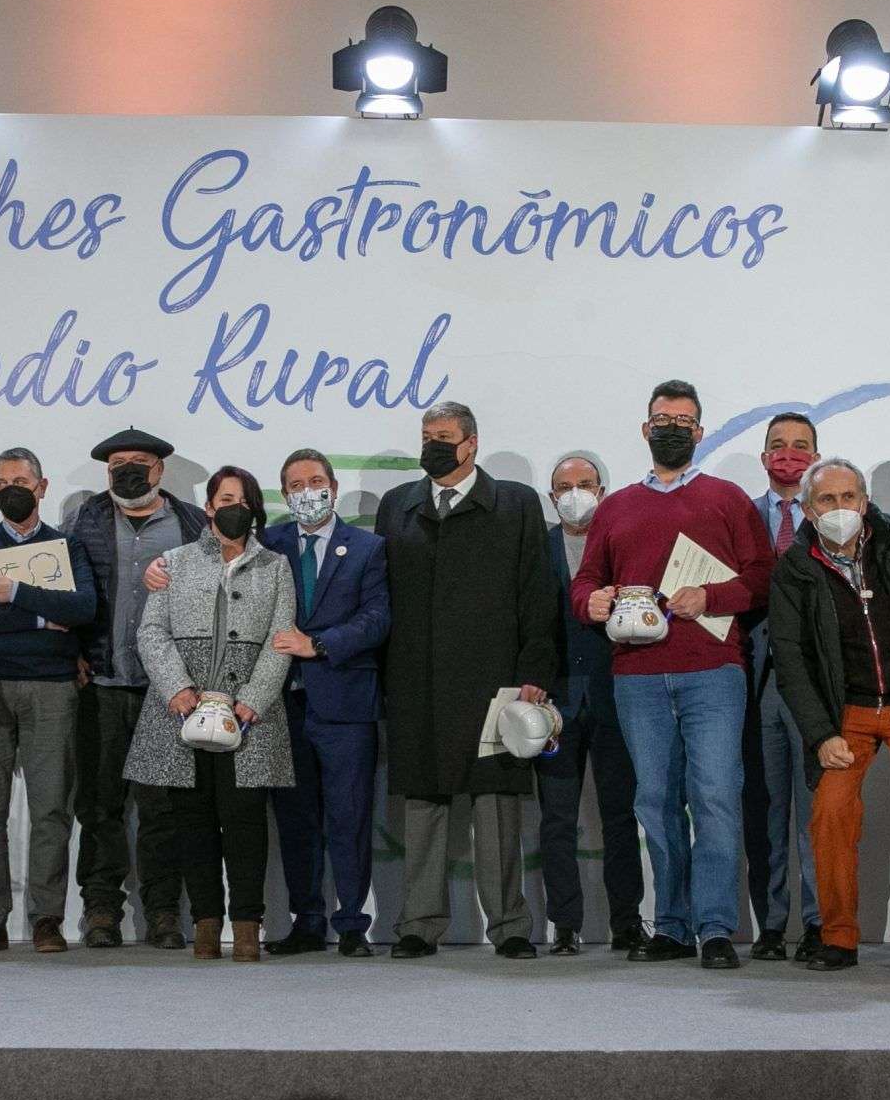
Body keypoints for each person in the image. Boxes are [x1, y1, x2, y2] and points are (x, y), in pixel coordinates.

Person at [568, 379, 773, 970]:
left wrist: (711, 596)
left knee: (715, 796)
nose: (672, 429)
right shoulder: (615, 507)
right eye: (663, 420)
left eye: (684, 421)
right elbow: (587, 581)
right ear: (645, 428)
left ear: (700, 432)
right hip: (636, 675)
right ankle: (674, 924)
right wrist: (590, 603)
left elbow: (761, 578)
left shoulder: (727, 499)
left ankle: (715, 927)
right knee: (654, 801)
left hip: (714, 670)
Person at [376, 401, 559, 959]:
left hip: (494, 678)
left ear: (471, 443)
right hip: (416, 680)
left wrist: (534, 670)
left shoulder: (516, 503)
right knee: (423, 805)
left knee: (496, 805)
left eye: (444, 436)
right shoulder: (397, 505)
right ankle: (418, 924)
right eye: (426, 436)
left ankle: (510, 926)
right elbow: (381, 595)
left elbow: (537, 592)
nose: (432, 445)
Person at [767, 457, 890, 972]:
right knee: (830, 816)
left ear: (865, 502)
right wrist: (820, 733)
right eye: (827, 499)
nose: (839, 507)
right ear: (807, 509)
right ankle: (839, 936)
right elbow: (791, 660)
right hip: (846, 713)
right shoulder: (794, 567)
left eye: (849, 497)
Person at [125, 468, 296, 962]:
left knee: (245, 824)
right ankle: (205, 923)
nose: (233, 508)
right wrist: (177, 688)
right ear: (208, 508)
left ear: (254, 509)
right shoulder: (174, 562)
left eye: (242, 500)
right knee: (192, 822)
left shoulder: (276, 566)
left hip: (249, 716)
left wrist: (255, 699)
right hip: (182, 712)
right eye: (225, 499)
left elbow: (281, 639)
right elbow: (151, 632)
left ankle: (246, 926)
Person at [0, 449, 99, 955]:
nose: (9, 489)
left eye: (19, 480)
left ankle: (47, 919)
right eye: (0, 482)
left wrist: (13, 592)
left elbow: (82, 607)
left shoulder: (67, 546)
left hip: (52, 688)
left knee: (51, 808)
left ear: (41, 487)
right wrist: (39, 617)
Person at [65, 428, 206, 949]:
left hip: (165, 691)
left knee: (162, 808)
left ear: (160, 470)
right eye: (116, 463)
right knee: (99, 806)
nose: (126, 470)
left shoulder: (193, 525)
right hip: (100, 684)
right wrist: (70, 650)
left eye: (138, 462)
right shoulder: (83, 521)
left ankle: (163, 912)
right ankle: (101, 910)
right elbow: (65, 592)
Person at [263, 449, 391, 956]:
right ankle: (307, 921)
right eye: (295, 485)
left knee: (349, 815)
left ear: (333, 489)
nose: (307, 492)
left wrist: (318, 644)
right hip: (283, 704)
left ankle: (353, 923)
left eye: (315, 481)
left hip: (345, 702)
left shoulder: (367, 547)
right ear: (284, 494)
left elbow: (377, 618)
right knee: (296, 820)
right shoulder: (269, 543)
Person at [536, 451, 645, 955]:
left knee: (620, 814)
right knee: (557, 819)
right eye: (565, 486)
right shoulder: (537, 547)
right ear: (551, 496)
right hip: (554, 702)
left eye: (585, 484)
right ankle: (564, 925)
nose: (575, 494)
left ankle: (627, 922)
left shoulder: (624, 542)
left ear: (602, 492)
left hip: (615, 696)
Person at [741, 411, 823, 962]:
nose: (787, 453)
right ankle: (770, 924)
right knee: (765, 810)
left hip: (813, 684)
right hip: (754, 681)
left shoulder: (834, 518)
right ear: (763, 456)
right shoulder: (739, 516)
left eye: (799, 445)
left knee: (817, 812)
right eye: (778, 444)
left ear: (815, 456)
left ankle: (818, 922)